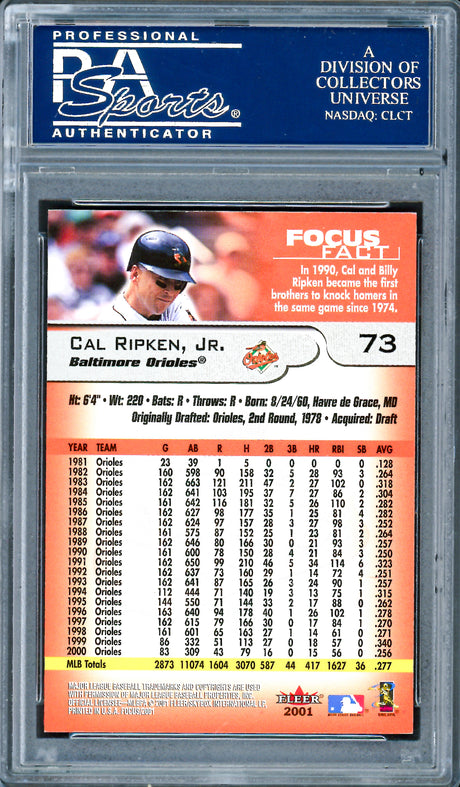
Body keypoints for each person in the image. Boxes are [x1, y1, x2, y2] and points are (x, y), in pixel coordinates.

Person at [99, 230, 197, 323]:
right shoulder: (112, 323)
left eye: (178, 285)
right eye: (162, 282)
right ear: (135, 274)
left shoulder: (176, 307)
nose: (171, 293)